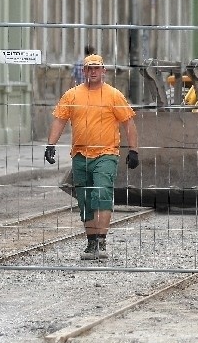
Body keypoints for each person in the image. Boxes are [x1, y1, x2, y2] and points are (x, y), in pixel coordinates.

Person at [45, 54, 139, 260]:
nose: (93, 72)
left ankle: (101, 241)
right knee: (85, 198)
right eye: (89, 68)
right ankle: (91, 243)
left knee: (102, 193)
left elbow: (129, 123)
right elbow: (60, 120)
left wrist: (133, 150)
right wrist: (51, 144)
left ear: (104, 71)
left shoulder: (113, 96)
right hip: (80, 155)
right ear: (83, 71)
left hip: (106, 153)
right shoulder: (72, 96)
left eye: (97, 68)